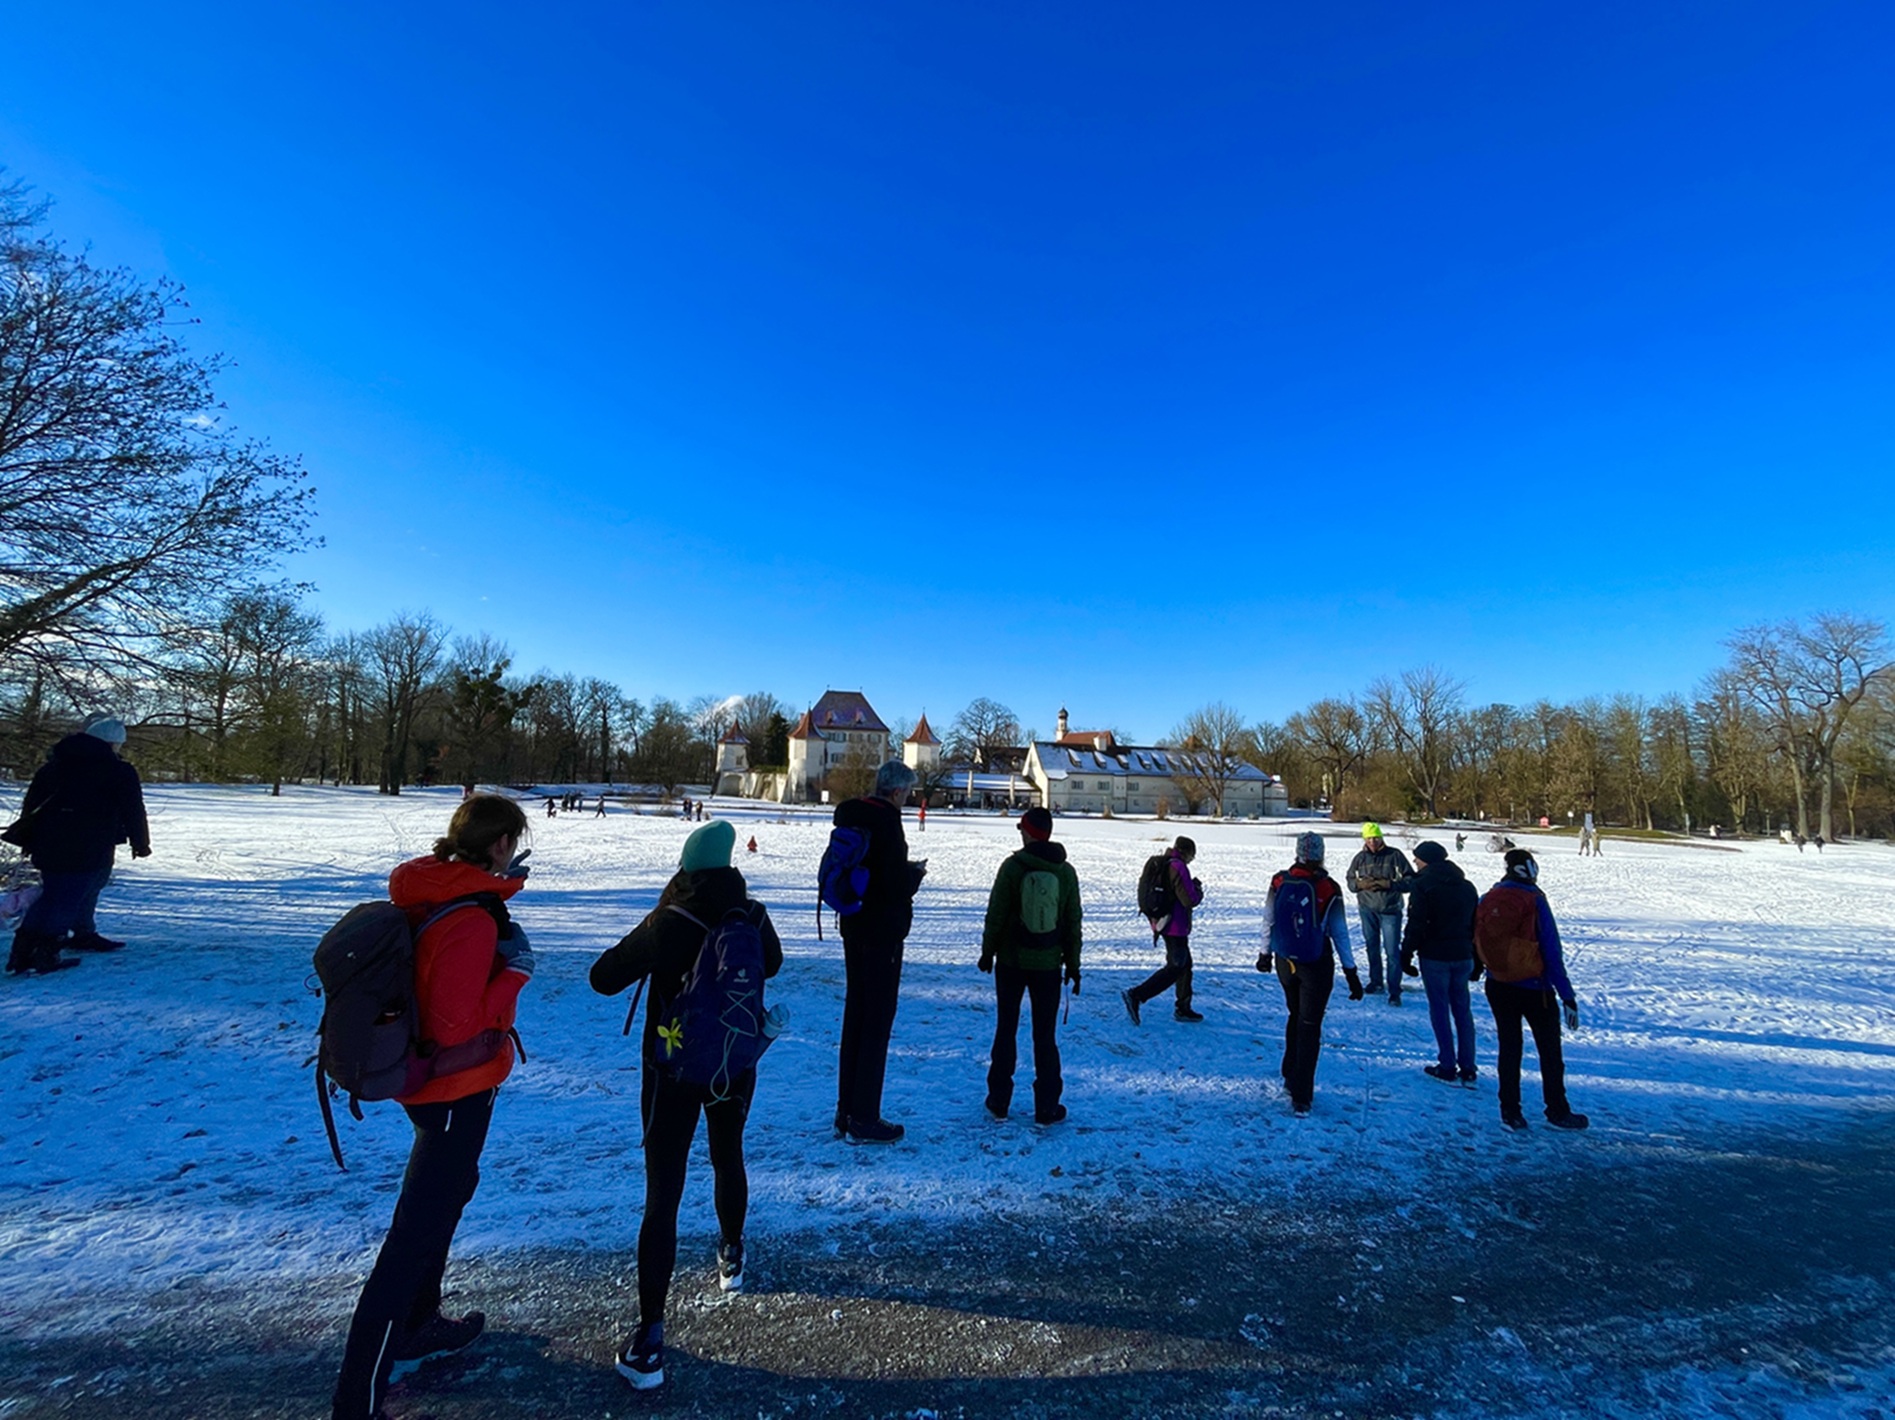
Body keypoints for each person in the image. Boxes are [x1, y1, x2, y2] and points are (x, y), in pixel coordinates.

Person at [331, 793, 534, 1420]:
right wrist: (516, 974)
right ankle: (357, 1396)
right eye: (516, 843)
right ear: (501, 845)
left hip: (437, 1085)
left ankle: (419, 1323)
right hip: (453, 1087)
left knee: (450, 1194)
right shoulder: (471, 917)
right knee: (412, 1235)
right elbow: (453, 1024)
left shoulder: (435, 889)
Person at [589, 818, 783, 1392]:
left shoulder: (670, 919)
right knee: (728, 1155)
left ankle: (650, 1338)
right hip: (732, 1063)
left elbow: (603, 977)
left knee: (664, 1194)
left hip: (670, 1072)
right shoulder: (752, 915)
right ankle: (731, 1254)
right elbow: (772, 963)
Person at [5, 715, 151, 976]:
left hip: (48, 841)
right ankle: (46, 953)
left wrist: (29, 838)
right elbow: (133, 810)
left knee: (51, 894)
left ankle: (22, 953)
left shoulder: (54, 765)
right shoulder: (118, 770)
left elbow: (32, 804)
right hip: (90, 844)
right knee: (67, 899)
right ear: (113, 743)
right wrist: (140, 842)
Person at [832, 761, 926, 1144]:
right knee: (877, 1020)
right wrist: (913, 876)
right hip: (881, 933)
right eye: (908, 792)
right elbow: (891, 884)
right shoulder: (887, 821)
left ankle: (846, 1111)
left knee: (856, 1015)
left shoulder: (853, 814)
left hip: (853, 924)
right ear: (897, 791)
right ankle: (864, 1116)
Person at [978, 807, 1081, 1125]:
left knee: (1006, 1028)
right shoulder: (1065, 872)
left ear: (1028, 833)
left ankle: (999, 1100)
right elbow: (1073, 922)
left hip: (1011, 961)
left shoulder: (1012, 867)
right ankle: (1047, 1106)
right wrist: (1073, 965)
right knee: (1045, 1036)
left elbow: (996, 914)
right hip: (1048, 964)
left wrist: (987, 952)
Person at [1475, 849, 1588, 1131]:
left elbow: (1475, 935)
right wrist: (1567, 995)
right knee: (1550, 1052)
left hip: (1498, 983)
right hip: (1535, 988)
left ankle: (1510, 1112)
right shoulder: (1535, 900)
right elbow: (1551, 950)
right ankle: (1557, 1110)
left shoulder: (1489, 897)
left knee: (1509, 1048)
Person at [1257, 832, 1361, 1116]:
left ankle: (1290, 1074)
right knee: (1310, 1024)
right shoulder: (1328, 887)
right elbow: (1339, 932)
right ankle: (1302, 1095)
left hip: (1284, 961)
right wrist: (1350, 972)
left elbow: (1268, 919)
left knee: (1295, 1014)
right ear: (1320, 855)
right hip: (1316, 963)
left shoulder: (1279, 881)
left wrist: (1264, 954)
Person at [1400, 841, 1480, 1085]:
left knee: (1439, 1009)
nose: (1415, 862)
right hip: (1463, 954)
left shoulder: (1423, 885)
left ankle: (1447, 1064)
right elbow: (1476, 925)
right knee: (1463, 1010)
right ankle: (1468, 1065)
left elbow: (1416, 922)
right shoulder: (1467, 886)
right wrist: (1478, 958)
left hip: (1435, 955)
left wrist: (1406, 952)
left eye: (1417, 858)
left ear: (1427, 860)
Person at [1123, 836, 1206, 1023]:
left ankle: (1183, 1007)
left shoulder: (1160, 863)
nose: (1191, 860)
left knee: (1185, 964)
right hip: (1175, 925)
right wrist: (1198, 890)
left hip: (1161, 921)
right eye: (1192, 857)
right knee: (1176, 966)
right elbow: (1189, 900)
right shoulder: (1178, 867)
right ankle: (1137, 995)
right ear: (1186, 853)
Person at [1344, 823, 1413, 1005]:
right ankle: (1376, 982)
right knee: (1372, 947)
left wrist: (1390, 884)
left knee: (1392, 951)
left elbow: (1410, 881)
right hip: (1367, 909)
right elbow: (1350, 881)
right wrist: (1360, 885)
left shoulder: (1395, 856)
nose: (1372, 841)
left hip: (1390, 909)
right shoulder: (1360, 858)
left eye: (1375, 838)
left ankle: (1394, 990)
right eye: (1369, 838)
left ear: (1381, 838)